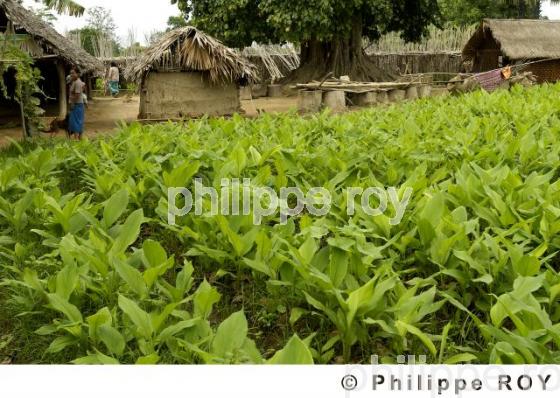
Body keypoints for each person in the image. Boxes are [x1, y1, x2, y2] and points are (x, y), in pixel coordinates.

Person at [68, 68, 86, 140]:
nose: (71, 74)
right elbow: (83, 87)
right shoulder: (76, 82)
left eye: (73, 73)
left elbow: (77, 94)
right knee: (78, 120)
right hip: (78, 104)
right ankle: (80, 137)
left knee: (75, 121)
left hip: (77, 104)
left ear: (78, 74)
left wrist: (72, 103)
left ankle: (76, 138)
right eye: (70, 73)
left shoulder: (77, 82)